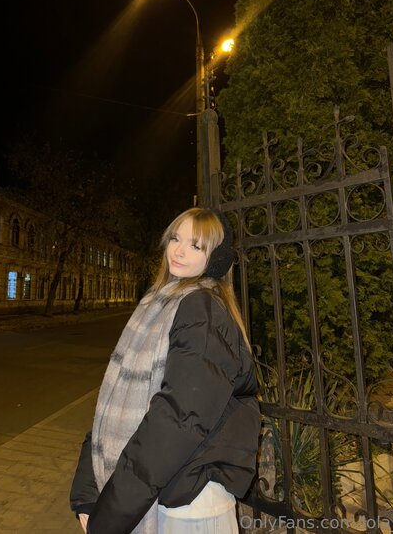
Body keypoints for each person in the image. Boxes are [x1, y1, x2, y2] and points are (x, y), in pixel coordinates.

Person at [70, 207, 261, 534]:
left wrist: (111, 515)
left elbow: (178, 419)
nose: (179, 250)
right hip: (157, 492)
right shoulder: (157, 303)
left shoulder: (201, 310)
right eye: (175, 238)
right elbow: (110, 404)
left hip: (188, 504)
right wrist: (88, 492)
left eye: (196, 245)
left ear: (216, 259)